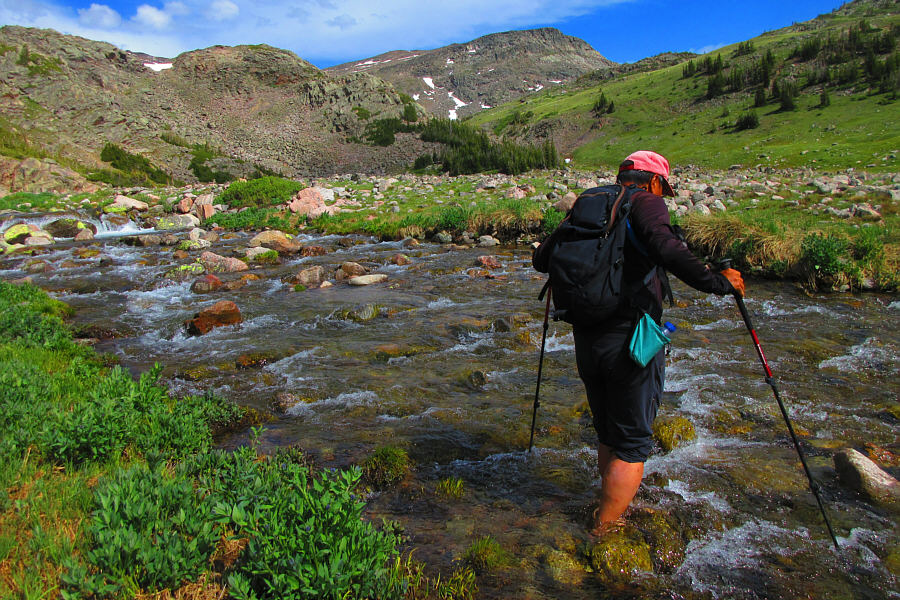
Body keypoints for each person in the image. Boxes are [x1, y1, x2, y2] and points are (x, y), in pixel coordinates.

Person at [533, 150, 744, 535]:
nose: (663, 194)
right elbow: (667, 249)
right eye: (663, 186)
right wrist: (718, 282)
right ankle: (604, 532)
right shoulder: (644, 203)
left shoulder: (590, 202)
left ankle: (606, 504)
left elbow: (542, 259)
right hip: (632, 339)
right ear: (650, 181)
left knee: (610, 433)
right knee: (632, 444)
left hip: (586, 337)